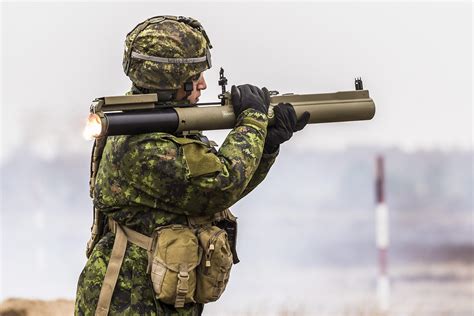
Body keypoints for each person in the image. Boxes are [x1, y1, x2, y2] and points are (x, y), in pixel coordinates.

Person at [75, 15, 309, 316]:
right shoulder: (143, 145)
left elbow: (208, 194)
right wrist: (251, 122)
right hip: (128, 301)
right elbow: (220, 186)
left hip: (157, 298)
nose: (203, 84)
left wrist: (266, 147)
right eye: (194, 76)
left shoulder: (169, 127)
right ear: (170, 80)